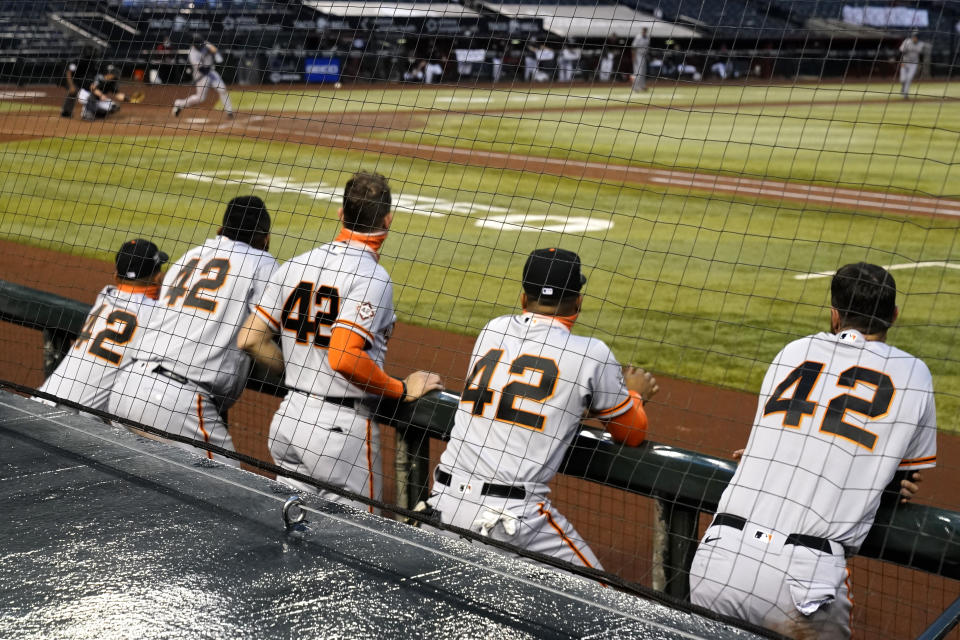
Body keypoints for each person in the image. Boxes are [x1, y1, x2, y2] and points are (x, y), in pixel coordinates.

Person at [689, 262, 937, 639]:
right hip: (803, 579)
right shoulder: (914, 374)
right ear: (894, 315)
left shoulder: (794, 351)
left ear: (835, 315)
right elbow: (902, 477)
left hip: (720, 555)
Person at [425, 248, 658, 569]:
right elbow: (631, 433)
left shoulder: (493, 330)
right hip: (510, 519)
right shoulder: (592, 353)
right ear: (577, 302)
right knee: (607, 601)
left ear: (524, 298)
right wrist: (634, 395)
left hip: (442, 502)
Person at [237, 172, 443, 511]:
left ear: (341, 214)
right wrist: (401, 390)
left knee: (297, 528)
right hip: (339, 432)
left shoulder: (296, 264)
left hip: (289, 418)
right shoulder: (372, 278)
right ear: (388, 220)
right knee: (361, 541)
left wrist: (300, 373)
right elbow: (344, 358)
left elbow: (249, 338)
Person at [109, 196, 278, 464]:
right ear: (265, 239)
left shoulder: (190, 255)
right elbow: (275, 328)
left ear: (221, 231)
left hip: (126, 387)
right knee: (237, 494)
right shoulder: (263, 263)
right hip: (177, 401)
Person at [36, 239, 168, 411]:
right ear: (158, 278)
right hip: (68, 422)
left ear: (115, 276)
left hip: (39, 400)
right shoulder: (154, 316)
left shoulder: (105, 297)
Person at [172, 33, 234, 118]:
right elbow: (202, 69)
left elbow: (215, 51)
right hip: (201, 75)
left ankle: (229, 112)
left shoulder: (204, 43)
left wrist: (217, 57)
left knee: (222, 89)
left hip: (210, 72)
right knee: (200, 98)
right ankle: (179, 103)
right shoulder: (192, 53)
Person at [61, 49, 97, 118]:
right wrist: (71, 85)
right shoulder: (78, 61)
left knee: (88, 96)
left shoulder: (92, 62)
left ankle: (87, 112)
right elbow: (69, 72)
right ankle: (66, 111)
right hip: (74, 82)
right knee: (73, 93)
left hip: (84, 83)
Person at [898, 32, 924, 99]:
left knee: (909, 78)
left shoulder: (921, 44)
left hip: (914, 64)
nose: (914, 38)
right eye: (913, 37)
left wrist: (920, 64)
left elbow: (921, 55)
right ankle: (903, 88)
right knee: (902, 79)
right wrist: (901, 62)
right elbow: (901, 52)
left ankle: (905, 94)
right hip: (905, 62)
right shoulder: (907, 42)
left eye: (915, 37)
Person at [631, 27, 650, 92]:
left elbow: (647, 47)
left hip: (644, 56)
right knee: (638, 72)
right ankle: (635, 87)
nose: (644, 32)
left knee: (643, 72)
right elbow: (633, 47)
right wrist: (634, 57)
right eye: (643, 30)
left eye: (645, 30)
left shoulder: (647, 37)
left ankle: (642, 86)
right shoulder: (638, 37)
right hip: (638, 55)